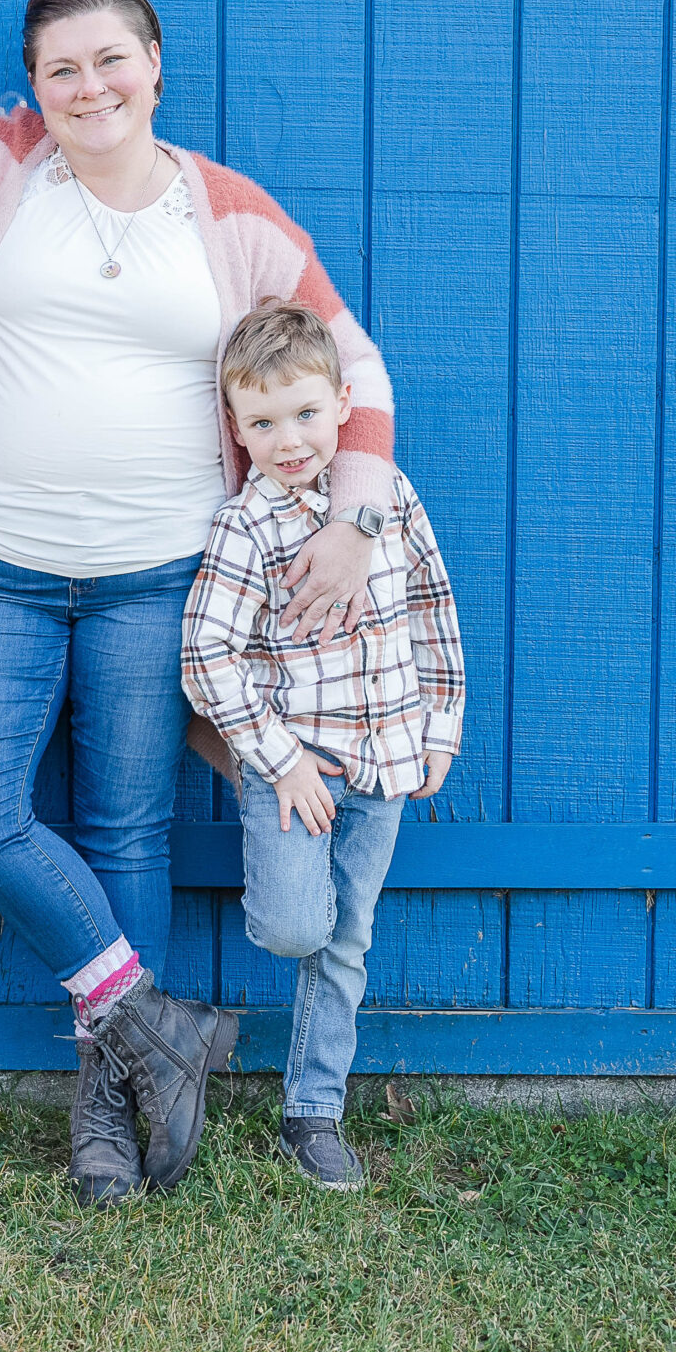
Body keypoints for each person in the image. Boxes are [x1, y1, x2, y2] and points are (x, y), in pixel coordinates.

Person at [0, 0, 403, 1204]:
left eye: (110, 62)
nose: (89, 89)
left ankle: (108, 1113)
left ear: (155, 66)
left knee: (128, 829)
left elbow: (349, 362)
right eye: (61, 72)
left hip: (161, 577)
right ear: (32, 88)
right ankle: (159, 1031)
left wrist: (353, 520)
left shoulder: (228, 219)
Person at [183, 300, 464, 1190]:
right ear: (236, 427)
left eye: (305, 413)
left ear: (344, 403)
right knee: (297, 925)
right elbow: (204, 654)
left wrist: (440, 726)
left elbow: (432, 609)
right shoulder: (247, 525)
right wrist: (279, 759)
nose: (289, 439)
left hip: (383, 760)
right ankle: (278, 885)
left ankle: (314, 1109)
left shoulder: (386, 498)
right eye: (263, 422)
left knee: (350, 939)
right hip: (294, 770)